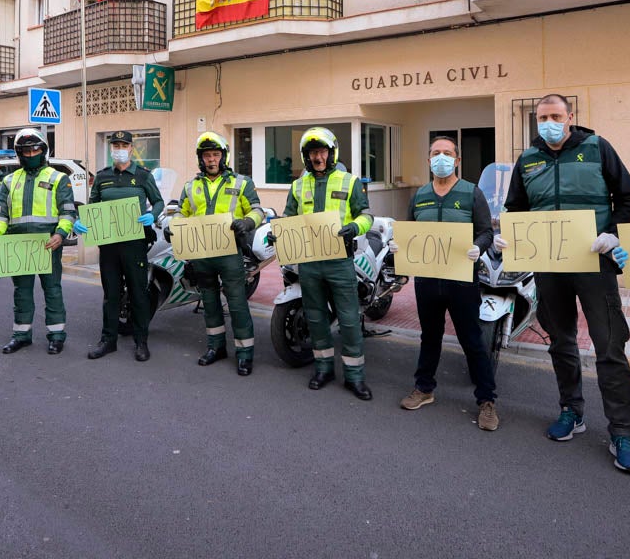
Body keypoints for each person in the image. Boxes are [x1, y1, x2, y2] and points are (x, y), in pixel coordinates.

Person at [501, 93, 630, 473]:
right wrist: (509, 234)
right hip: (549, 266)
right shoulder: (528, 159)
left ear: (570, 117)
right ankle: (571, 412)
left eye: (555, 115)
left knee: (609, 347)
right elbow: (516, 208)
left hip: (595, 262)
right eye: (542, 116)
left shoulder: (598, 148)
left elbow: (629, 198)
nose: (548, 122)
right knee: (561, 342)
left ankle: (622, 432)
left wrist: (613, 234)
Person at [392, 136, 497, 428]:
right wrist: (398, 247)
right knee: (430, 337)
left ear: (457, 160)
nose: (441, 158)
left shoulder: (471, 193)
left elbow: (486, 231)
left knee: (472, 340)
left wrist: (479, 246)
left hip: (462, 280)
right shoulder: (420, 194)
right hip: (427, 281)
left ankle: (487, 400)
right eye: (436, 153)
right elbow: (409, 231)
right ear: (428, 160)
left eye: (447, 153)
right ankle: (424, 389)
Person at [281, 127, 374, 400]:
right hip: (309, 263)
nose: (317, 157)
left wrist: (354, 228)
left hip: (339, 261)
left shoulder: (350, 181)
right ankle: (323, 368)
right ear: (305, 157)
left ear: (331, 153)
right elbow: (289, 216)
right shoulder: (298, 185)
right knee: (316, 317)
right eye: (312, 153)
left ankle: (355, 376)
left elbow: (366, 215)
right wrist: (280, 232)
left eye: (321, 151)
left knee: (348, 319)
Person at [168, 132, 264, 375]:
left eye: (215, 155)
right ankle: (215, 347)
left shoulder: (241, 182)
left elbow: (257, 210)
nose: (211, 159)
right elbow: (181, 212)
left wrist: (248, 223)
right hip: (201, 253)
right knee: (209, 303)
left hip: (230, 252)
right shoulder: (191, 186)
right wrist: (174, 226)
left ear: (224, 157)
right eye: (207, 155)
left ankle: (245, 354)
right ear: (201, 159)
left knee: (237, 303)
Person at [0, 129, 76, 355]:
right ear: (19, 153)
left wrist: (61, 234)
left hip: (48, 243)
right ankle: (21, 335)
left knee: (52, 289)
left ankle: (56, 336)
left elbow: (68, 213)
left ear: (44, 150)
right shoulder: (8, 181)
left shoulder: (58, 178)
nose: (31, 153)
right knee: (21, 291)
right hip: (19, 245)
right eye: (26, 150)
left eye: (36, 149)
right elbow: (0, 216)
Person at [86, 131, 165, 362]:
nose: (119, 148)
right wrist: (85, 222)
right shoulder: (102, 177)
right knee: (111, 294)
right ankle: (108, 340)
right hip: (109, 245)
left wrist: (153, 215)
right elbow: (93, 205)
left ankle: (141, 341)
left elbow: (158, 201)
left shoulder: (142, 176)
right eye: (116, 145)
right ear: (111, 149)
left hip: (134, 243)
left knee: (139, 294)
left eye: (124, 145)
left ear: (131, 149)